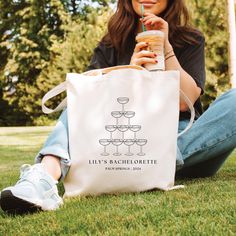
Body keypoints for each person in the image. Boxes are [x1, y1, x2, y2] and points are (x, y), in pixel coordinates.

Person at [1, 0, 236, 214]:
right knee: (79, 99)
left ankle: (146, 163)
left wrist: (166, 47)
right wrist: (130, 71)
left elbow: (184, 102)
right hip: (127, 135)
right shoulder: (111, 43)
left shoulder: (190, 39)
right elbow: (90, 101)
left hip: (184, 140)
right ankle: (43, 177)